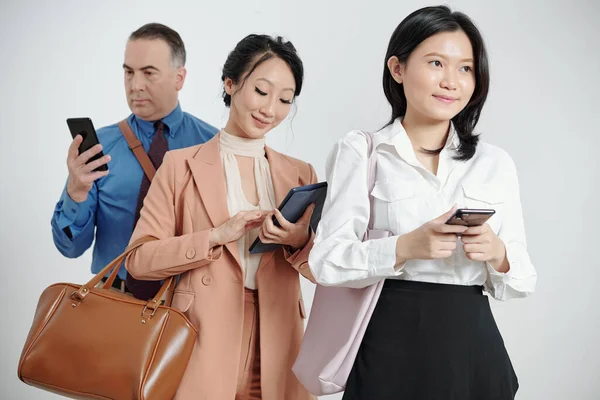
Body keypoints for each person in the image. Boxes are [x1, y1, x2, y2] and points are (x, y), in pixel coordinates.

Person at [308, 5, 537, 400]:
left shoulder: (494, 162)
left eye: (466, 68)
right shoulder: (362, 152)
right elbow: (326, 261)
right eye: (436, 63)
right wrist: (404, 247)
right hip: (389, 343)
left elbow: (523, 279)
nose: (452, 81)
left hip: (472, 346)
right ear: (397, 68)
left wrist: (498, 254)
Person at [124, 34, 316, 400]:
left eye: (285, 99)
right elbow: (139, 260)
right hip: (201, 336)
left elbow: (324, 270)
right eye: (261, 91)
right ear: (230, 84)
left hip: (279, 338)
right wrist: (214, 236)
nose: (270, 109)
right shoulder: (180, 166)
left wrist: (298, 241)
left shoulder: (301, 174)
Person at [51, 23, 217, 295]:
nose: (135, 85)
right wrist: (76, 192)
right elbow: (70, 248)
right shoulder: (100, 146)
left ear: (179, 78)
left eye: (149, 73)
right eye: (128, 72)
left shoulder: (212, 145)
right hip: (114, 302)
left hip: (187, 307)